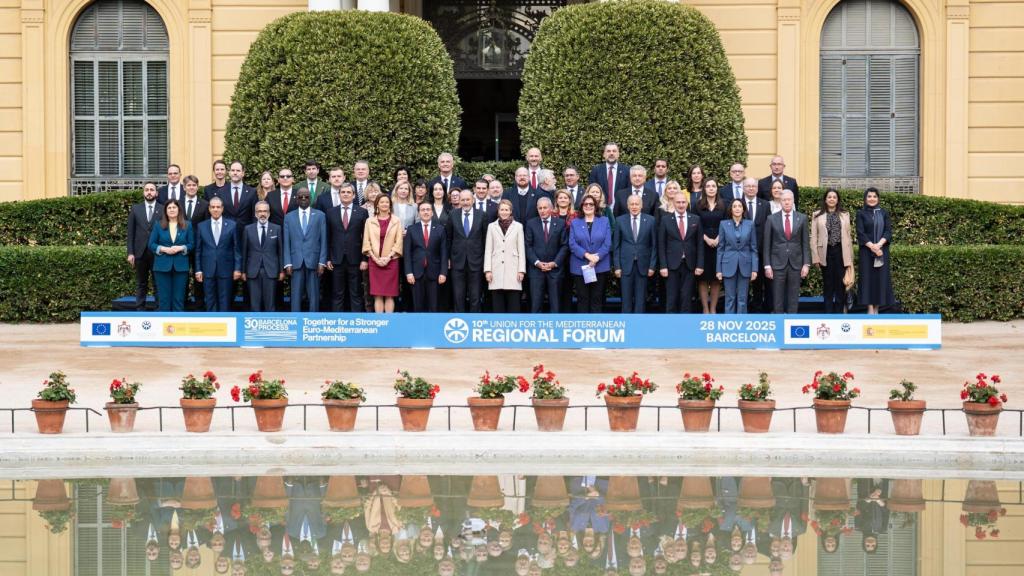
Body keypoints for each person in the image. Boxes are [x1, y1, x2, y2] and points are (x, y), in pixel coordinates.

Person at [763, 190, 810, 313]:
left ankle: (791, 320)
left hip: (796, 263)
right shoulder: (771, 219)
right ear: (780, 202)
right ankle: (779, 321)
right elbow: (767, 244)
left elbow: (805, 243)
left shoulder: (803, 218)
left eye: (789, 199)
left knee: (793, 295)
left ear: (793, 200)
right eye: (784, 200)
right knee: (777, 296)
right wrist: (767, 265)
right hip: (777, 263)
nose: (787, 202)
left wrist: (806, 264)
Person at [324, 183, 368, 312]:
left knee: (356, 293)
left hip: (355, 259)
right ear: (339, 194)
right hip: (336, 259)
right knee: (337, 294)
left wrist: (364, 259)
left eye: (349, 192)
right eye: (343, 192)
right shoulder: (330, 212)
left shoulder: (362, 212)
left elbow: (366, 237)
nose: (346, 194)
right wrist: (327, 258)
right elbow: (327, 236)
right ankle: (338, 323)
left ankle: (357, 321)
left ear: (354, 195)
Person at [810, 188, 854, 314]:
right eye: (829, 197)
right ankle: (828, 314)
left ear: (837, 200)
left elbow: (848, 237)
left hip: (841, 252)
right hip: (825, 253)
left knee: (840, 286)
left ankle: (839, 314)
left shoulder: (845, 215)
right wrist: (816, 258)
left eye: (834, 197)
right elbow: (813, 237)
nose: (832, 199)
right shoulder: (817, 215)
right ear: (825, 199)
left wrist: (850, 258)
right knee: (828, 285)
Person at [194, 197, 241, 311]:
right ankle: (211, 325)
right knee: (210, 300)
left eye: (218, 207)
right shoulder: (201, 226)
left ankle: (225, 326)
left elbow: (236, 249)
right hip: (207, 269)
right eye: (213, 207)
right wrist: (198, 269)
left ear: (222, 209)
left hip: (226, 269)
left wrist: (237, 269)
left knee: (225, 301)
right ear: (209, 209)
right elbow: (198, 250)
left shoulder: (232, 225)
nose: (215, 209)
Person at [283, 190, 327, 312]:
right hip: (295, 261)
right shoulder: (289, 216)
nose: (303, 199)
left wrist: (322, 262)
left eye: (306, 197)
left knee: (314, 295)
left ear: (310, 198)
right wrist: (287, 263)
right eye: (300, 197)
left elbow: (323, 240)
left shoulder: (320, 215)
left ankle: (312, 321)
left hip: (314, 261)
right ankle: (295, 320)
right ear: (296, 199)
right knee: (295, 295)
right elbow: (286, 242)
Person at [658, 195, 704, 313]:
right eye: (678, 202)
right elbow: (661, 244)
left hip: (690, 265)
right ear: (673, 203)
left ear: (687, 203)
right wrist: (663, 266)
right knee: (671, 297)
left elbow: (699, 244)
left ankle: (685, 326)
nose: (681, 205)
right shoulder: (666, 220)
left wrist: (700, 265)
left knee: (687, 297)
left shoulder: (695, 219)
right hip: (671, 265)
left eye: (683, 202)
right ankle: (671, 326)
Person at [614, 195, 657, 313]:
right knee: (626, 299)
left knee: (641, 299)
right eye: (631, 204)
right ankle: (627, 324)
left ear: (641, 205)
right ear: (627, 206)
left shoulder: (651, 220)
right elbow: (616, 245)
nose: (634, 207)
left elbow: (654, 245)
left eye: (636, 204)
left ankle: (639, 325)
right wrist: (617, 267)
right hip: (625, 266)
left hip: (643, 265)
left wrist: (652, 266)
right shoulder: (619, 220)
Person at [568, 196, 612, 313]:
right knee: (582, 298)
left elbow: (607, 243)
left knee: (597, 299)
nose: (588, 206)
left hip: (600, 266)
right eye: (585, 204)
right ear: (581, 206)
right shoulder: (575, 222)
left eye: (591, 204)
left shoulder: (604, 221)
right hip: (580, 266)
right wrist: (587, 255)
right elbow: (572, 244)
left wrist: (596, 257)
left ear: (595, 206)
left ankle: (595, 327)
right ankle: (583, 326)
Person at [148, 200, 193, 311]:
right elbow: (151, 244)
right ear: (166, 211)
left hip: (181, 266)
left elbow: (192, 244)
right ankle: (164, 326)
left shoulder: (187, 225)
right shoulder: (158, 225)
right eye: (169, 208)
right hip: (162, 266)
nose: (172, 210)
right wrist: (164, 249)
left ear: (179, 210)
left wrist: (181, 248)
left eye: (174, 207)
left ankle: (178, 326)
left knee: (179, 299)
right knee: (164, 299)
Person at [525, 197, 568, 313]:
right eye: (540, 208)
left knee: (555, 306)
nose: (542, 210)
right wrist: (537, 263)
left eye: (545, 208)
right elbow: (527, 246)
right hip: (536, 271)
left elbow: (564, 245)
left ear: (551, 208)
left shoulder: (560, 223)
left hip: (555, 271)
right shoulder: (531, 223)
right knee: (536, 305)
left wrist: (554, 263)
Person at [856, 187, 895, 314]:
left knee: (880, 280)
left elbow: (888, 231)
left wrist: (879, 245)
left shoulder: (884, 213)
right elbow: (860, 233)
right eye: (869, 196)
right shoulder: (861, 213)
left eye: (874, 196)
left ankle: (877, 308)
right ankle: (869, 308)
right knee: (867, 280)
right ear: (865, 198)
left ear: (878, 198)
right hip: (866, 253)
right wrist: (872, 246)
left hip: (882, 252)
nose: (872, 199)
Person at [446, 190, 487, 312]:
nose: (465, 202)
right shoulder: (453, 214)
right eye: (462, 200)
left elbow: (485, 239)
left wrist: (485, 260)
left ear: (473, 200)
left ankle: (474, 321)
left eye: (467, 200)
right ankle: (460, 320)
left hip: (477, 261)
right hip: (457, 262)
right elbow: (449, 238)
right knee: (458, 296)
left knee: (475, 296)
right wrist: (449, 258)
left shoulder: (482, 215)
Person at [483, 199, 527, 312]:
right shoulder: (491, 226)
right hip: (496, 269)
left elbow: (521, 249)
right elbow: (488, 249)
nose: (504, 212)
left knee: (514, 305)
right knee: (498, 306)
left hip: (513, 270)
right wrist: (488, 270)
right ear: (498, 211)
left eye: (506, 210)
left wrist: (521, 270)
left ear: (511, 211)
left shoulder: (518, 226)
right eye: (502, 209)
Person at [716, 199, 758, 313]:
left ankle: (742, 323)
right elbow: (720, 248)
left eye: (740, 206)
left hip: (745, 265)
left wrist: (755, 269)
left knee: (742, 298)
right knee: (729, 298)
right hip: (728, 265)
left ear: (743, 209)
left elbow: (753, 248)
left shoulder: (750, 224)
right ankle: (729, 323)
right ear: (731, 209)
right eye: (735, 206)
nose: (737, 208)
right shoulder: (724, 224)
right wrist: (718, 270)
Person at [404, 202, 448, 312]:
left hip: (435, 273)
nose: (426, 212)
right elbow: (407, 253)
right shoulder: (411, 229)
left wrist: (443, 272)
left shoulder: (440, 229)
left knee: (434, 306)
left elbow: (444, 253)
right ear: (419, 213)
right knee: (418, 306)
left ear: (432, 212)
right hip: (416, 273)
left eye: (428, 209)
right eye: (423, 210)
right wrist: (409, 272)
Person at [362, 194, 403, 313]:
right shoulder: (369, 221)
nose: (384, 204)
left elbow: (399, 242)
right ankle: (380, 323)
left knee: (390, 295)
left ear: (390, 204)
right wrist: (375, 258)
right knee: (377, 294)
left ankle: (389, 324)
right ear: (377, 205)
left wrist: (388, 257)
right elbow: (366, 242)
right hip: (374, 261)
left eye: (387, 202)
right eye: (382, 202)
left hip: (392, 261)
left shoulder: (396, 221)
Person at [127, 182, 162, 310]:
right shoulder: (136, 209)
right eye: (146, 190)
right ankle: (139, 308)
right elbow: (130, 232)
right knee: (141, 283)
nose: (149, 192)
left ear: (156, 193)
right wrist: (130, 252)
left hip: (157, 253)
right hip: (140, 252)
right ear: (143, 193)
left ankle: (159, 308)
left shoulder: (163, 209)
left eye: (152, 190)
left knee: (157, 282)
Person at [242, 202, 282, 312]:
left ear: (269, 213)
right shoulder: (248, 229)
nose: (262, 214)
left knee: (270, 305)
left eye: (265, 211)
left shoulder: (277, 228)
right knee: (254, 305)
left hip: (271, 271)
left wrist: (281, 271)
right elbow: (244, 251)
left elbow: (280, 251)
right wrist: (243, 271)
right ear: (255, 214)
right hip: (253, 271)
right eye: (259, 211)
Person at [741, 177, 772, 313]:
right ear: (743, 188)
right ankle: (744, 309)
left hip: (759, 250)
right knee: (742, 283)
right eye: (748, 186)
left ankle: (758, 310)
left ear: (757, 188)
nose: (751, 188)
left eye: (754, 186)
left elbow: (769, 228)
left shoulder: (765, 204)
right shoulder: (737, 204)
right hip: (741, 251)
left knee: (759, 282)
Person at [697, 179, 726, 314]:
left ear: (717, 188)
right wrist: (707, 239)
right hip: (703, 243)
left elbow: (727, 224)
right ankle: (705, 308)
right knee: (703, 279)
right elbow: (695, 225)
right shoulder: (697, 205)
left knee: (716, 278)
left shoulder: (724, 205)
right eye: (708, 186)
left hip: (719, 244)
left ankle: (713, 308)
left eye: (713, 186)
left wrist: (718, 238)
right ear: (704, 189)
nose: (711, 188)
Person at [589, 142, 629, 211]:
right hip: (600, 210)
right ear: (604, 154)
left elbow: (628, 191)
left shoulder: (627, 170)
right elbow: (591, 191)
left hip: (621, 210)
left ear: (618, 154)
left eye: (614, 151)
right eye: (608, 151)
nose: (611, 153)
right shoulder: (596, 170)